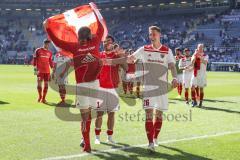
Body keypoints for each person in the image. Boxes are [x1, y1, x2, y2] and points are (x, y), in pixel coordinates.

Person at [44, 16, 105, 152]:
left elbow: (57, 41)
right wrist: (94, 11)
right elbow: (101, 27)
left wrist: (47, 26)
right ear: (90, 35)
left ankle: (87, 144)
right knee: (94, 114)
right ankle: (90, 138)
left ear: (78, 36)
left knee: (84, 117)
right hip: (95, 84)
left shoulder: (74, 46)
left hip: (82, 85)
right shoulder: (95, 42)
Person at [128, 26, 178, 152]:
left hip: (162, 88)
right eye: (150, 34)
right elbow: (130, 58)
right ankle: (150, 142)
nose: (151, 36)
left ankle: (155, 137)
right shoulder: (143, 49)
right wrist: (118, 58)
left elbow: (172, 66)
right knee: (149, 115)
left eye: (154, 34)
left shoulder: (167, 51)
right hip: (148, 87)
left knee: (159, 114)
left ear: (159, 35)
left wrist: (175, 77)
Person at [95, 35, 127, 144]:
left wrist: (122, 56)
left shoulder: (116, 56)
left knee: (111, 114)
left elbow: (127, 68)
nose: (106, 43)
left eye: (108, 41)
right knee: (99, 113)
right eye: (104, 41)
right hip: (100, 88)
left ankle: (109, 137)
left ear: (113, 43)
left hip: (113, 88)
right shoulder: (99, 55)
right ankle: (97, 137)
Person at [33, 39, 53, 103]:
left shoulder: (50, 53)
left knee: (46, 84)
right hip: (40, 71)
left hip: (47, 71)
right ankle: (40, 96)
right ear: (44, 43)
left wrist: (53, 69)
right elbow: (34, 60)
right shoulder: (38, 50)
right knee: (39, 84)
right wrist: (35, 70)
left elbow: (50, 62)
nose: (47, 45)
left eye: (48, 44)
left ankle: (44, 98)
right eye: (46, 43)